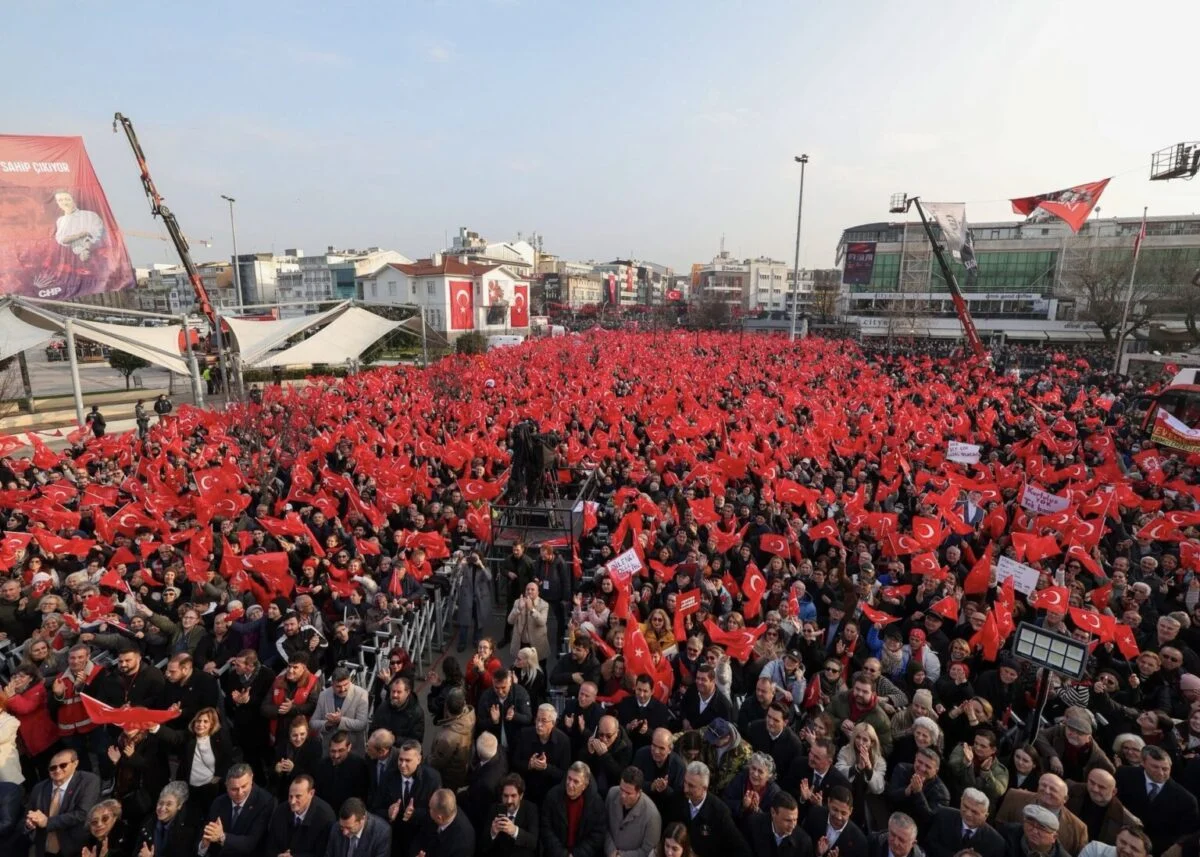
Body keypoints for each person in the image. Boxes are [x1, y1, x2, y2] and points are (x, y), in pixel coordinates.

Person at [1114, 745, 1199, 856]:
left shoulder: (1186, 800)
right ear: (1143, 763)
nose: (1160, 772)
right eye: (1155, 767)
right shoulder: (1124, 775)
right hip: (1118, 842)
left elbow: (1185, 835)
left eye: (1165, 769)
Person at [24, 749, 101, 857]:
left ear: (75, 764)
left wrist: (47, 822)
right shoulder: (39, 788)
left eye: (63, 765)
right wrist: (29, 824)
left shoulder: (88, 781)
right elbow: (27, 815)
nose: (57, 770)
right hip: (42, 849)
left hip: (74, 849)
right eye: (53, 768)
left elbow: (82, 813)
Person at [664, 761, 750, 857]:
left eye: (691, 786)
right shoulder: (676, 799)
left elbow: (740, 848)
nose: (685, 789)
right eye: (685, 782)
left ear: (704, 788)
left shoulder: (720, 812)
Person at [197, 762, 277, 857]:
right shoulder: (219, 802)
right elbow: (207, 834)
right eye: (234, 789)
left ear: (251, 779)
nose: (240, 792)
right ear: (226, 786)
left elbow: (251, 843)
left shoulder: (265, 802)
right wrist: (204, 844)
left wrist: (222, 837)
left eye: (244, 786)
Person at [382, 739, 441, 857]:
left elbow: (437, 814)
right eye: (400, 759)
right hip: (395, 837)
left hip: (419, 837)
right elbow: (375, 807)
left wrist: (414, 814)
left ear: (419, 759)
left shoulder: (432, 779)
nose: (402, 765)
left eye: (407, 760)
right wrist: (388, 812)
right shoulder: (389, 776)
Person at [511, 703, 571, 805]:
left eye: (543, 721)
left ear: (553, 723)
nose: (539, 724)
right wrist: (529, 765)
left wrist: (546, 768)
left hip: (551, 793)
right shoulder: (524, 734)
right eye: (537, 719)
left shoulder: (563, 741)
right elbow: (514, 763)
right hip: (527, 790)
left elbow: (564, 774)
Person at [542, 761, 606, 857]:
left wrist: (576, 855)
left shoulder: (596, 803)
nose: (570, 784)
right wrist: (562, 854)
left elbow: (597, 835)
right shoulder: (553, 796)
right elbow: (546, 828)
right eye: (569, 778)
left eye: (576, 781)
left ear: (585, 785)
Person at [264, 774, 335, 857]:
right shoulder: (280, 811)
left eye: (298, 796)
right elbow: (271, 844)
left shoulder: (325, 817)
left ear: (311, 793)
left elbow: (322, 853)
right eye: (290, 796)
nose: (292, 801)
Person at [922, 788, 1005, 857]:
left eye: (974, 812)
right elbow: (929, 844)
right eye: (965, 806)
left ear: (985, 816)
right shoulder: (943, 816)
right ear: (961, 801)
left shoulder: (996, 843)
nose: (968, 814)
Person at [1067, 769, 1139, 847]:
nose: (1095, 789)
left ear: (1114, 792)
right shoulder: (1071, 789)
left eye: (1102, 787)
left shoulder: (1127, 821)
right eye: (1092, 782)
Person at [310, 667, 371, 754]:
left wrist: (340, 721)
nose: (342, 689)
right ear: (332, 684)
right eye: (338, 686)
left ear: (350, 680)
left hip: (353, 751)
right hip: (329, 751)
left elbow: (362, 724)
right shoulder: (323, 695)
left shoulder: (361, 694)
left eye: (345, 685)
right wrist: (327, 724)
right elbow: (313, 723)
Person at [603, 766, 661, 857]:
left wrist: (621, 856)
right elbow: (603, 826)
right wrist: (611, 851)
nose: (622, 795)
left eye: (628, 793)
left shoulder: (652, 816)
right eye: (621, 789)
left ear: (639, 792)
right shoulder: (612, 794)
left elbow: (648, 851)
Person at [313, 731, 369, 823]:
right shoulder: (322, 765)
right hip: (325, 815)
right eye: (333, 751)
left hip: (349, 816)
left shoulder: (359, 766)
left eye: (340, 751)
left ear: (349, 747)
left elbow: (362, 795)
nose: (336, 755)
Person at [131, 781, 195, 857]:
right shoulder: (148, 822)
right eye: (160, 803)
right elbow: (136, 852)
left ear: (179, 806)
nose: (162, 808)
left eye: (169, 804)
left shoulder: (186, 831)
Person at [428, 687, 474, 790]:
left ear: (446, 706)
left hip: (448, 777)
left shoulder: (446, 738)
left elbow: (435, 762)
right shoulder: (470, 716)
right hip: (462, 769)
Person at [486, 773, 539, 857]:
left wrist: (515, 831)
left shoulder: (530, 809)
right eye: (505, 796)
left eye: (513, 796)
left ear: (521, 796)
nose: (509, 801)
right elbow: (483, 846)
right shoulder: (494, 809)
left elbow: (533, 842)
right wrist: (492, 833)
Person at [744, 791, 812, 857]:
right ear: (773, 812)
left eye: (795, 820)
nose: (792, 825)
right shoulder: (753, 824)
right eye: (787, 820)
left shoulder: (803, 842)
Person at [409, 788, 474, 856]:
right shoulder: (447, 809)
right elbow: (421, 836)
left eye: (430, 808)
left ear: (440, 818)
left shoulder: (462, 846)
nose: (428, 809)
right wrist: (413, 813)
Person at [997, 803, 1071, 857]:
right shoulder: (1007, 832)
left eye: (1041, 828)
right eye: (1031, 824)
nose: (1034, 831)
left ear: (1054, 837)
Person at [506, 581, 550, 667]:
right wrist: (518, 609)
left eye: (532, 590)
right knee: (521, 669)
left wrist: (531, 609)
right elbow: (510, 621)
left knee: (539, 669)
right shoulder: (517, 602)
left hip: (537, 645)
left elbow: (542, 622)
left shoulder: (544, 605)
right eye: (527, 589)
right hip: (521, 644)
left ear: (538, 592)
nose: (529, 591)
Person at [457, 550, 493, 652]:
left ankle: (476, 641)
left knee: (479, 622)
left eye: (475, 558)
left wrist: (481, 565)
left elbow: (489, 577)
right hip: (467, 598)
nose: (473, 560)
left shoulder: (483, 567)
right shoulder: (466, 566)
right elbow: (456, 575)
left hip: (480, 599)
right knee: (464, 623)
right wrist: (460, 564)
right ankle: (462, 642)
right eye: (472, 557)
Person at [53, 190, 104, 260]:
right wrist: (79, 236)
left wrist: (86, 249)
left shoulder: (90, 215)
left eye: (67, 199)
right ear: (57, 203)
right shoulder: (60, 221)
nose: (64, 203)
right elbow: (61, 239)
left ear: (74, 200)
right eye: (60, 200)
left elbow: (97, 233)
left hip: (95, 257)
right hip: (69, 259)